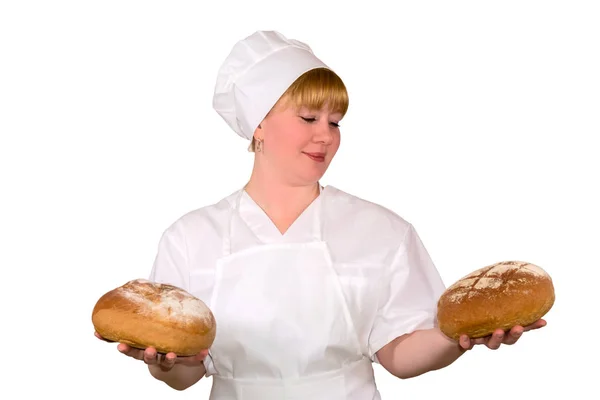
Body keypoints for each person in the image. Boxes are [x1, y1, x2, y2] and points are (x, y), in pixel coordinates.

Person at [95, 30, 546, 399]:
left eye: (335, 122)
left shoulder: (381, 230)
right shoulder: (192, 236)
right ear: (257, 124)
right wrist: (165, 364)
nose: (325, 136)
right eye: (309, 117)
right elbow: (187, 373)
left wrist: (457, 338)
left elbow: (399, 357)